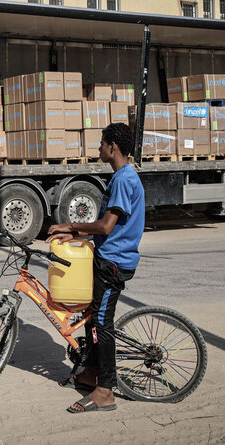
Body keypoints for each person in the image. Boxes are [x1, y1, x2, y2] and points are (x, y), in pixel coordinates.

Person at [45, 123, 145, 414]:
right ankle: (89, 373)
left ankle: (105, 391)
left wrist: (71, 225)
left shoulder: (125, 179)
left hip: (113, 263)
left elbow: (105, 226)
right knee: (90, 317)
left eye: (101, 143)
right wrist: (73, 235)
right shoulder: (120, 177)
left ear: (113, 146)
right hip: (106, 255)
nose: (99, 148)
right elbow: (107, 230)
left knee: (102, 323)